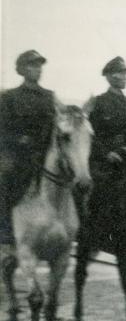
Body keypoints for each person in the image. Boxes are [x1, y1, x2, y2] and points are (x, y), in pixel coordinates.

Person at [0, 50, 56, 248]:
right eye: (32, 66)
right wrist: (19, 140)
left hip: (45, 155)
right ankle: (6, 234)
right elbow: (2, 129)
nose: (37, 70)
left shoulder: (49, 96)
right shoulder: (10, 97)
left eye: (40, 66)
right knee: (6, 185)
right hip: (19, 156)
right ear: (21, 70)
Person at [85, 57, 126, 236]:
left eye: (125, 73)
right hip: (105, 162)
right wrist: (106, 154)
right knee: (100, 193)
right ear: (109, 77)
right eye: (120, 73)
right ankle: (94, 232)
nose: (124, 77)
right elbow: (88, 135)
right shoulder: (98, 103)